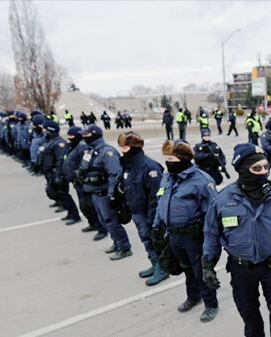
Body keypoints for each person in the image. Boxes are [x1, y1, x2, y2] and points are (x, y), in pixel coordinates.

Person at [202, 143, 271, 337]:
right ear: (243, 169)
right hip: (241, 269)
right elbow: (211, 234)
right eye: (257, 168)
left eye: (266, 167)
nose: (264, 172)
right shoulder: (223, 200)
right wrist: (208, 265)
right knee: (249, 316)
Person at [152, 140, 219, 322]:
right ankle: (193, 296)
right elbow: (161, 202)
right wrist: (157, 225)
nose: (168, 162)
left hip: (194, 235)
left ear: (183, 159)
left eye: (171, 158)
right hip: (173, 234)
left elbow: (213, 212)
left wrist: (209, 239)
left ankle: (211, 304)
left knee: (200, 270)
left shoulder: (201, 180)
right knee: (186, 269)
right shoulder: (167, 177)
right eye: (166, 158)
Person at [118, 131, 169, 286]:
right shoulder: (128, 165)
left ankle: (162, 268)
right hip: (136, 211)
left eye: (124, 147)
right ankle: (154, 263)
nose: (121, 150)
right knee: (146, 240)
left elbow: (156, 196)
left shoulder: (150, 167)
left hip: (149, 213)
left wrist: (154, 219)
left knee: (155, 240)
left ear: (134, 147)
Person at [80, 125, 132, 260]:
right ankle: (116, 242)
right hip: (95, 192)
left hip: (104, 193)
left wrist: (112, 194)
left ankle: (124, 247)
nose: (84, 138)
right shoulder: (91, 151)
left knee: (111, 221)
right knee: (104, 220)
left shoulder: (107, 152)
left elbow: (114, 174)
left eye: (87, 136)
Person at [64, 126, 106, 237]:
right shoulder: (73, 147)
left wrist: (81, 177)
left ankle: (101, 228)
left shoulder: (83, 148)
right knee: (84, 206)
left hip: (84, 182)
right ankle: (92, 224)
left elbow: (86, 165)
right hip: (77, 181)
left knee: (90, 206)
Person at [40, 121, 81, 224]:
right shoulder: (50, 141)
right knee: (56, 193)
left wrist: (59, 174)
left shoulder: (59, 143)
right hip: (52, 173)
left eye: (46, 130)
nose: (44, 132)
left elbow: (61, 160)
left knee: (64, 194)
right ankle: (69, 213)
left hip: (58, 173)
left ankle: (74, 215)